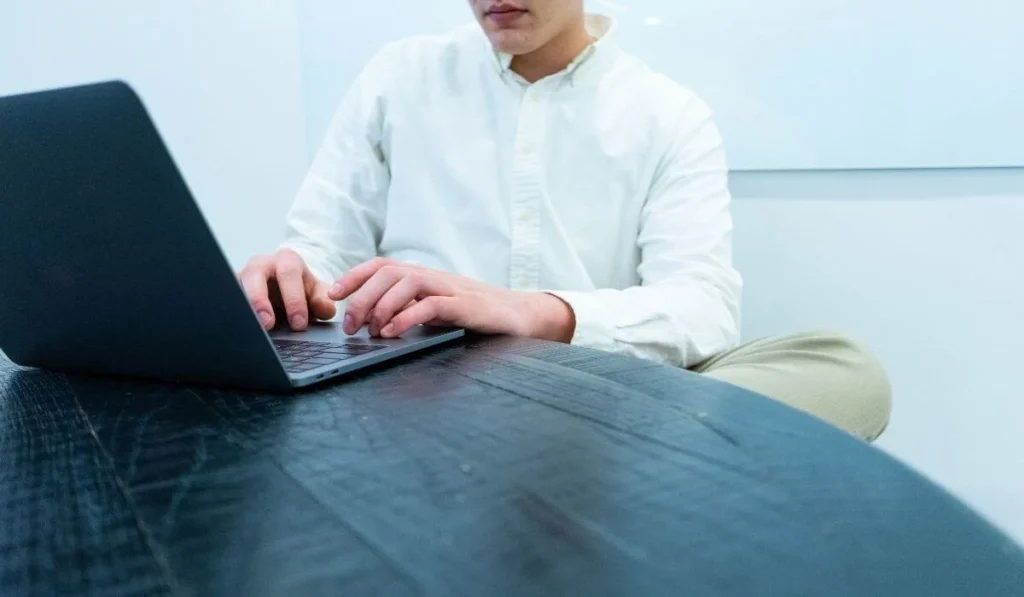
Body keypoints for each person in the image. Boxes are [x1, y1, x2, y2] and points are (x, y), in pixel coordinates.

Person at [239, 0, 892, 441]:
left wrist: (540, 312)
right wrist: (294, 284)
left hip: (590, 401)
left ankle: (609, 460)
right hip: (418, 402)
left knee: (844, 368)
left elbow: (703, 311)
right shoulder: (397, 77)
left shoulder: (668, 115)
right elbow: (323, 258)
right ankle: (647, 468)